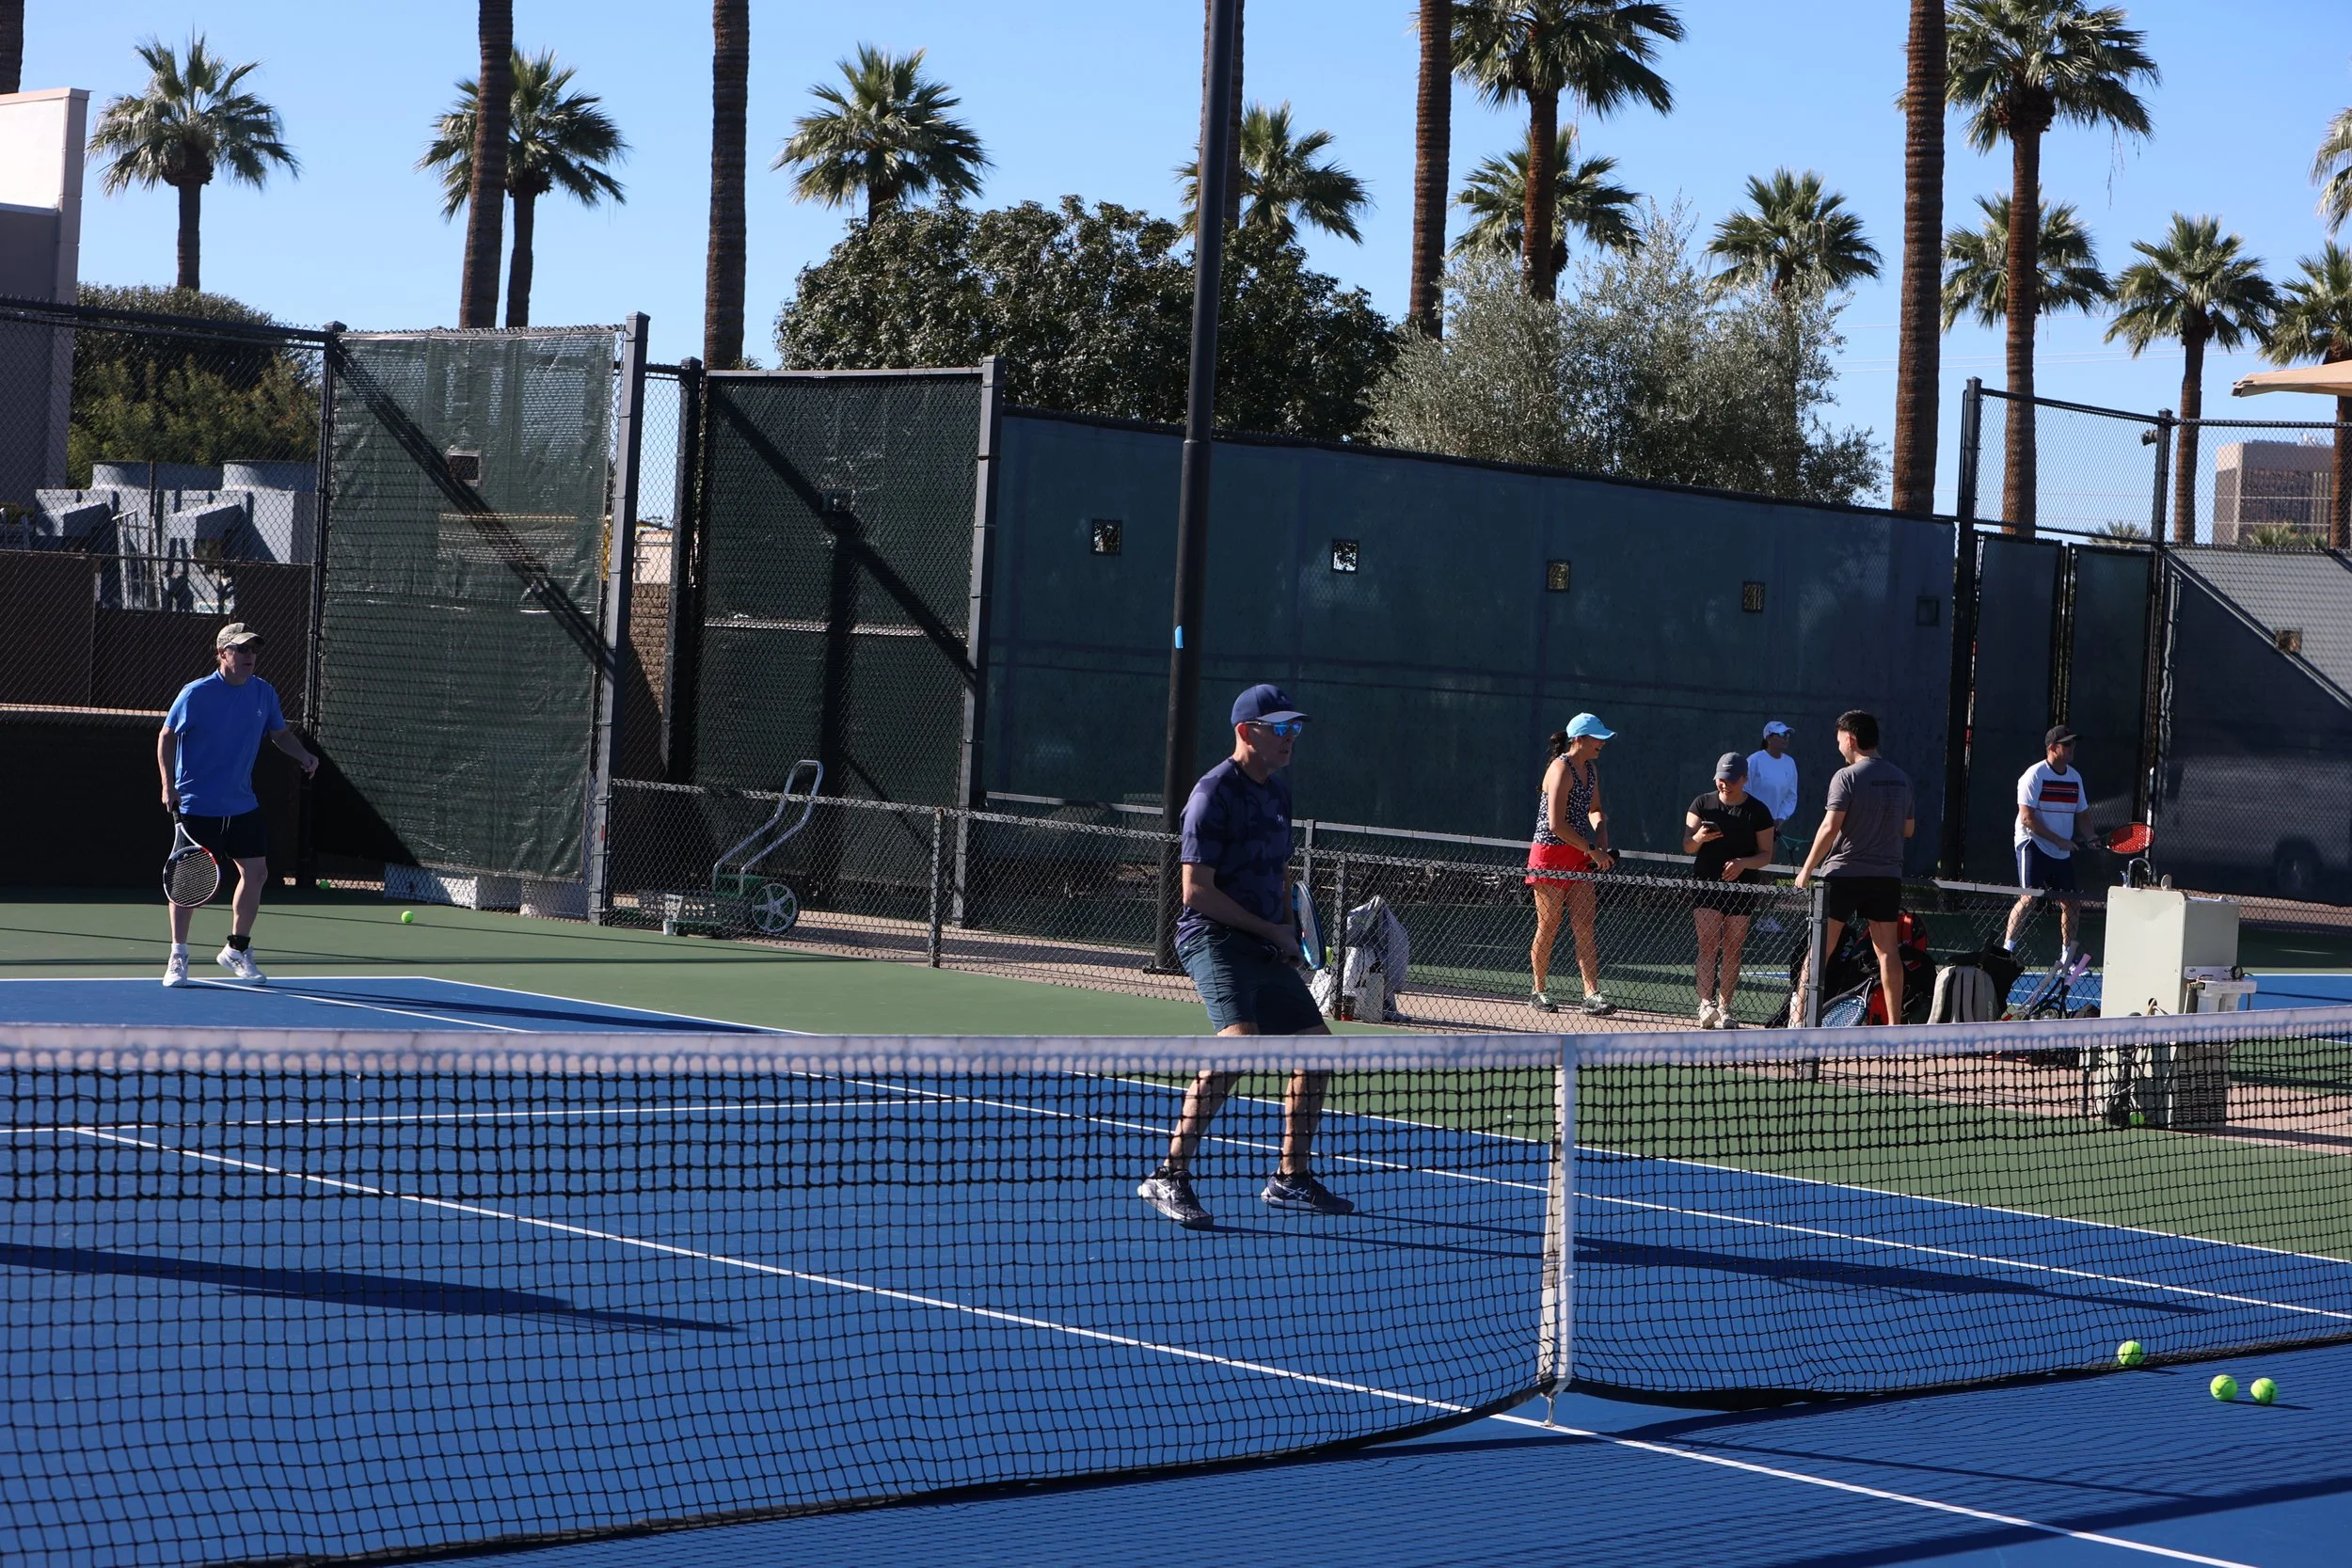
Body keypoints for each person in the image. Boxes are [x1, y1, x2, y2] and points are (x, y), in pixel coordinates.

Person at [1136, 684, 1353, 1230]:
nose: (1289, 740)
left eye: (1294, 730)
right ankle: (1168, 1175)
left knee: (1317, 1051)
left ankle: (1291, 1176)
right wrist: (1270, 931)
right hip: (1211, 937)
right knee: (1239, 1043)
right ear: (1245, 732)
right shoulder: (1212, 795)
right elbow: (1195, 892)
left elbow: (1280, 872)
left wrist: (1288, 930)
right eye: (1279, 729)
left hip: (1265, 941)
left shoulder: (1278, 796)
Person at [157, 623, 319, 988]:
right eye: (241, 650)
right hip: (198, 803)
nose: (249, 656)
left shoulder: (264, 693)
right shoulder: (196, 694)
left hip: (242, 804)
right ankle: (178, 955)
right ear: (222, 654)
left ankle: (236, 949)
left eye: (253, 650)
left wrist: (303, 755)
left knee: (257, 873)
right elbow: (167, 735)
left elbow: (279, 734)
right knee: (187, 883)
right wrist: (168, 785)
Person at [1793, 710, 1915, 1023]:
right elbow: (1909, 830)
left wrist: (1806, 870)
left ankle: (1801, 1019)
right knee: (1888, 951)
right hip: (1886, 878)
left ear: (1851, 739)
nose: (1838, 747)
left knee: (1820, 950)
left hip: (1844, 875)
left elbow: (1829, 827)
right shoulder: (1901, 779)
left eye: (1838, 741)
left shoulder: (1845, 777)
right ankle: (1895, 1028)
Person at [1526, 713, 1617, 1015]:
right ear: (1579, 739)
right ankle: (1538, 990)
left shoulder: (1591, 770)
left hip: (1580, 855)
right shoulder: (1560, 769)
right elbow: (1556, 824)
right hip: (1550, 855)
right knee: (1549, 924)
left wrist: (1601, 830)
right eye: (1597, 738)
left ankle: (1592, 994)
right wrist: (1593, 850)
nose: (1602, 743)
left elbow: (1595, 809)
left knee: (1584, 926)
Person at [1685, 752, 1776, 1028]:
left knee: (1733, 948)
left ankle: (1725, 1009)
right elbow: (1687, 845)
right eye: (1721, 779)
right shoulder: (1702, 803)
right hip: (1706, 884)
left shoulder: (1758, 812)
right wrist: (1698, 838)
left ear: (1745, 779)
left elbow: (1766, 855)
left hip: (1742, 887)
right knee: (1708, 944)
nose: (1725, 784)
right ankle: (1705, 1006)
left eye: (1732, 780)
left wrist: (1742, 864)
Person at [2008, 725, 2090, 961]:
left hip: (2059, 849)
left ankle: (2067, 957)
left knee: (2072, 902)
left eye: (2073, 744)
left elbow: (2083, 815)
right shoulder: (2034, 776)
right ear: (2053, 749)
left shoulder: (2075, 778)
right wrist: (2060, 841)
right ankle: (2007, 949)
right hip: (2032, 842)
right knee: (2030, 896)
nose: (2073, 748)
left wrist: (2091, 836)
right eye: (2067, 744)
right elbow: (2027, 818)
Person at [1746, 721, 1800, 851]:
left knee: (1765, 865)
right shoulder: (1753, 761)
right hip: (1748, 826)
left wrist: (1780, 818)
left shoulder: (1789, 762)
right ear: (1769, 738)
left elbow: (1791, 796)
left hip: (1772, 828)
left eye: (1788, 734)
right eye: (1782, 734)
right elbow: (1744, 791)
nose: (1786, 737)